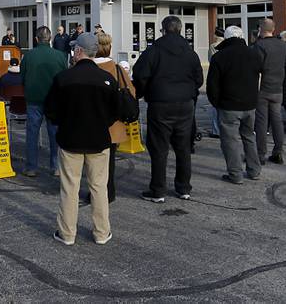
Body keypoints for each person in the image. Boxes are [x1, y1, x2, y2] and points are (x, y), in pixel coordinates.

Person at [45, 32, 119, 246]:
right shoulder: (107, 79)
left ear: (78, 52)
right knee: (98, 187)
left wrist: (64, 122)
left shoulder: (63, 78)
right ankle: (102, 232)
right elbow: (115, 112)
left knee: (70, 187)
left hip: (70, 140)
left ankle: (67, 234)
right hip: (99, 141)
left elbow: (51, 111)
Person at [132, 15, 203, 203]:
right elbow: (199, 79)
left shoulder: (153, 51)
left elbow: (140, 75)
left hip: (160, 103)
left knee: (159, 148)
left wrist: (143, 92)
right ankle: (183, 187)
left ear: (162, 29)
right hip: (185, 104)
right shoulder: (190, 52)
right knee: (183, 148)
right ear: (180, 29)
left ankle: (158, 190)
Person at [206, 26, 262, 184]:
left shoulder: (220, 56)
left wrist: (216, 102)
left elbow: (212, 85)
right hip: (250, 104)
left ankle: (235, 174)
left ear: (226, 38)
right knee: (249, 137)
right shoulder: (254, 53)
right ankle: (254, 170)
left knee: (230, 141)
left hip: (228, 105)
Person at [92, 32, 136, 203]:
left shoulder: (85, 68)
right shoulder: (117, 69)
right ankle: (108, 192)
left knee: (90, 163)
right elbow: (131, 92)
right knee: (108, 162)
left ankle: (95, 192)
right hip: (113, 125)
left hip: (90, 123)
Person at [20, 26, 67, 177]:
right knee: (55, 134)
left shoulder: (28, 56)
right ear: (51, 38)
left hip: (34, 99)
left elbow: (22, 78)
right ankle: (56, 166)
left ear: (36, 39)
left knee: (32, 134)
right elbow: (64, 78)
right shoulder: (60, 56)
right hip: (55, 101)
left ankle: (31, 167)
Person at [253, 18, 286, 165]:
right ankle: (278, 151)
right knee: (277, 121)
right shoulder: (283, 45)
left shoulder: (259, 46)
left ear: (261, 29)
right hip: (278, 87)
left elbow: (256, 67)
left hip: (263, 88)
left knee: (261, 122)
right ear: (273, 29)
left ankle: (261, 154)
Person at [207, 26, 225, 138]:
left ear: (215, 35)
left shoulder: (213, 46)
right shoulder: (228, 44)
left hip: (216, 76)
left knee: (215, 106)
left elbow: (211, 60)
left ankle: (216, 130)